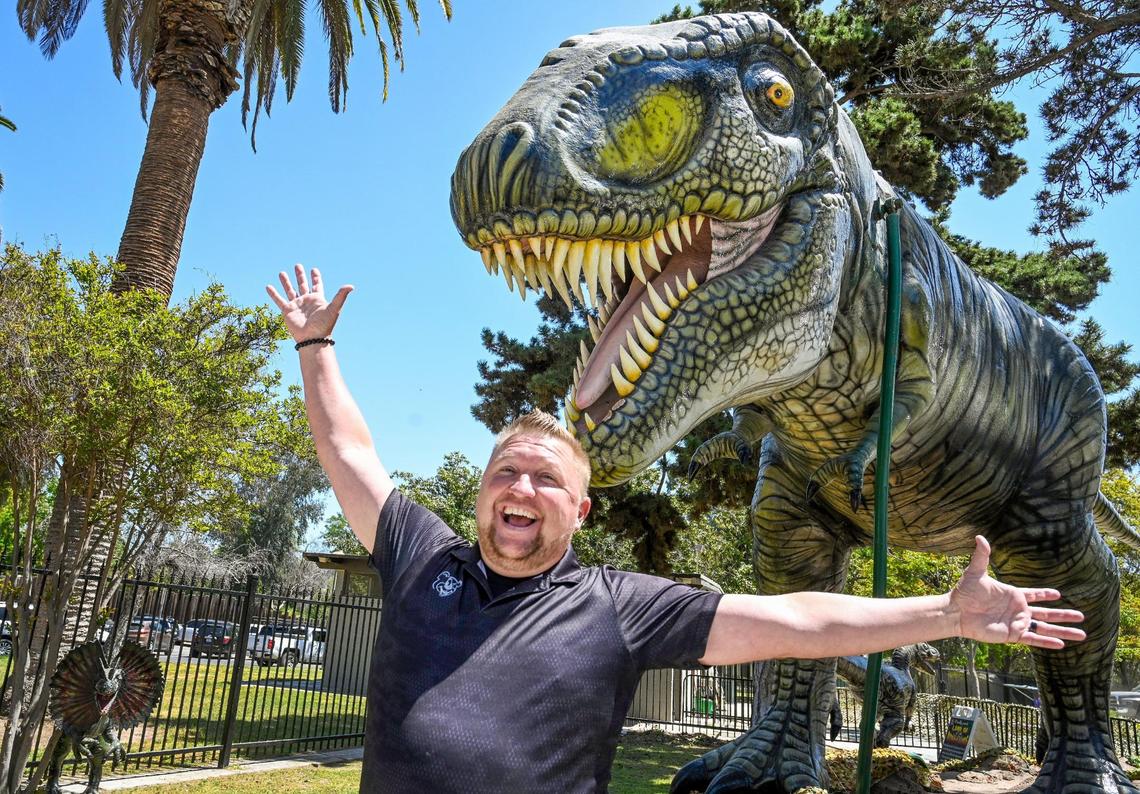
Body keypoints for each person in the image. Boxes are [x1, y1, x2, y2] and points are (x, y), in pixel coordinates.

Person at [267, 265, 1086, 794]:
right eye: (505, 473)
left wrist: (946, 614)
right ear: (483, 493)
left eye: (547, 479)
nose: (520, 488)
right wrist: (315, 343)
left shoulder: (618, 606)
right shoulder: (421, 559)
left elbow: (797, 620)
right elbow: (349, 451)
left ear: (580, 510)